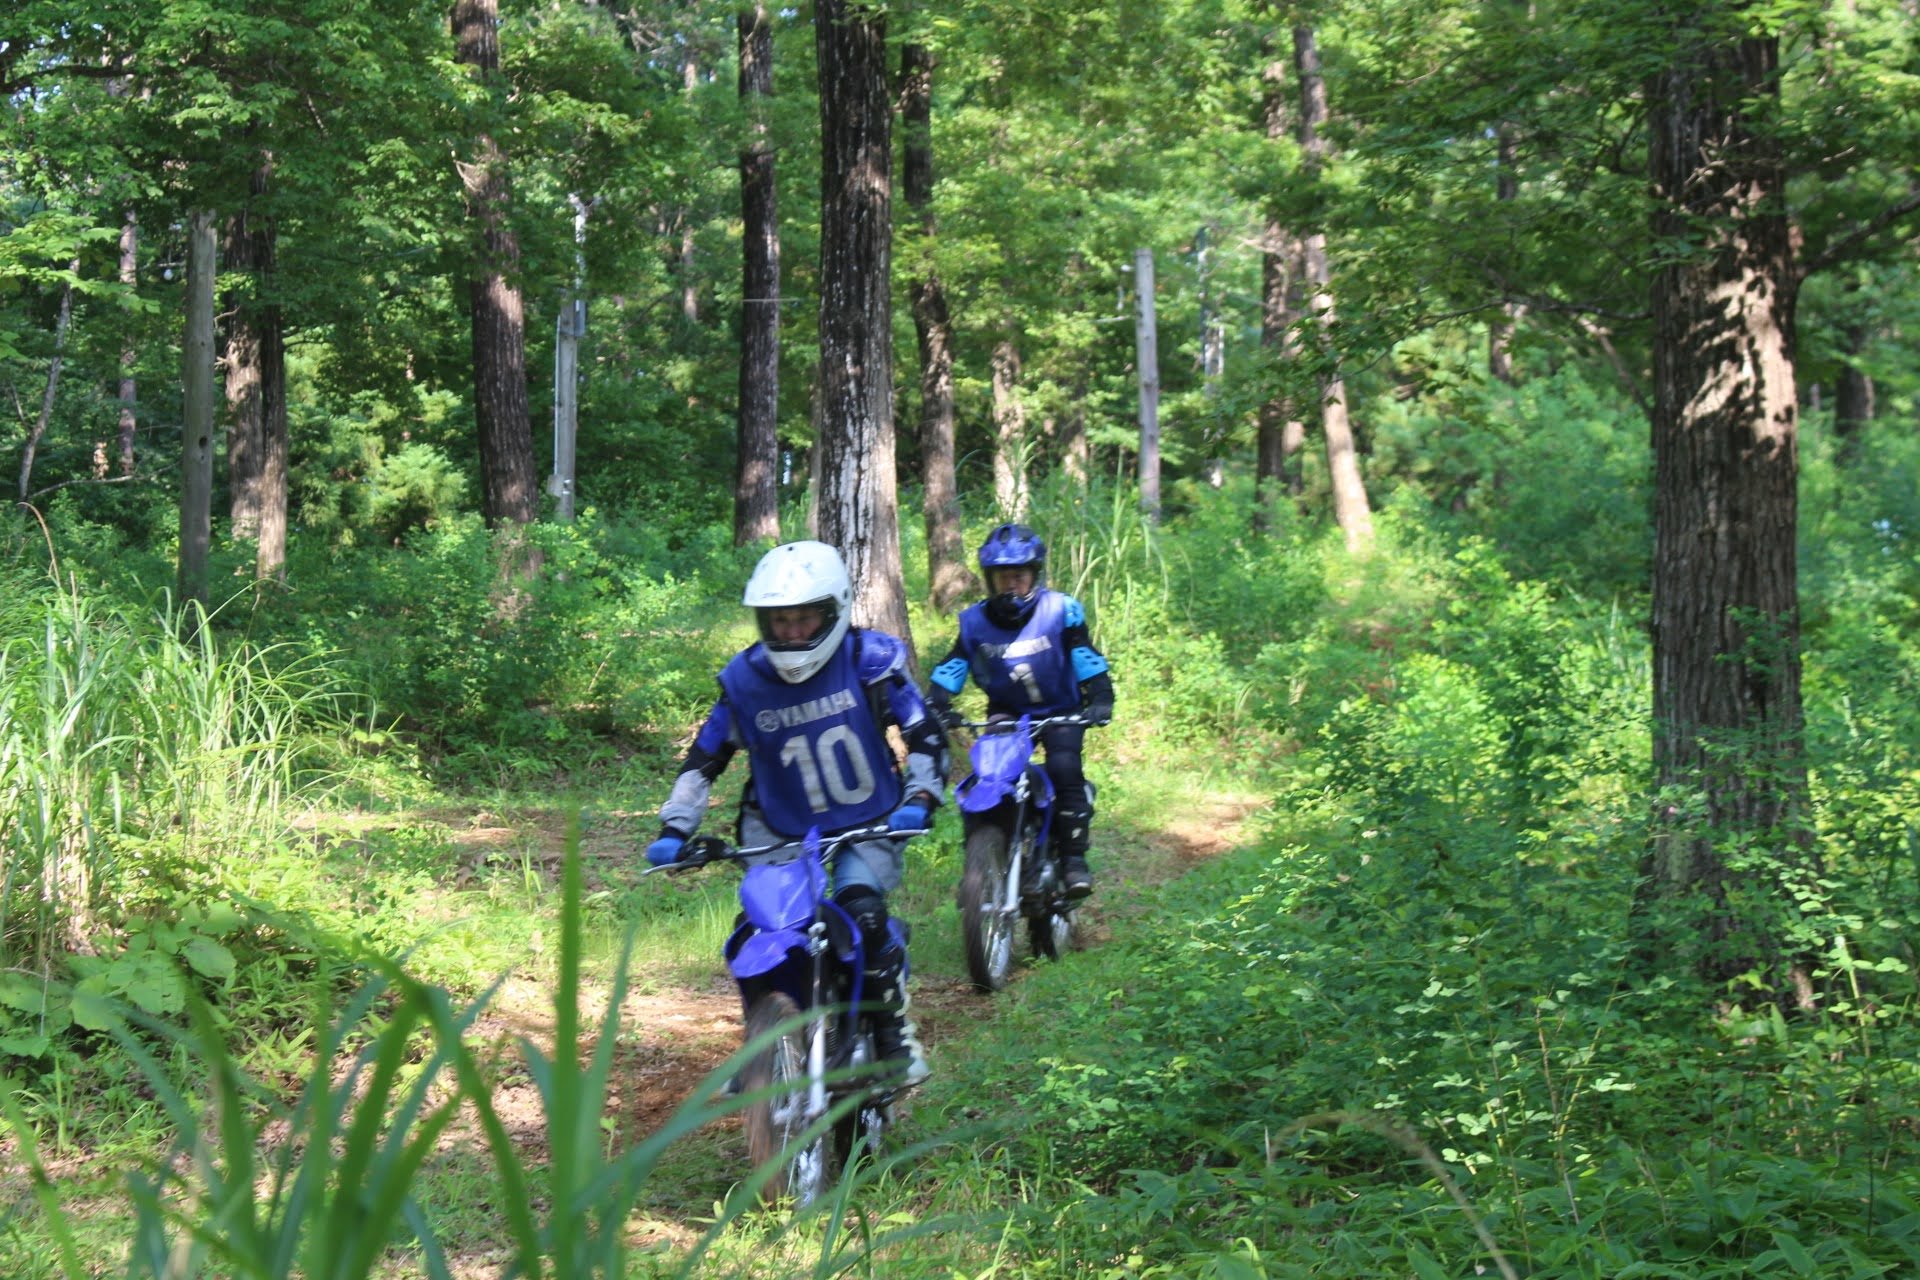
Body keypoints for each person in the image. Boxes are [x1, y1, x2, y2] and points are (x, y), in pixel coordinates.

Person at [645, 540, 944, 1086]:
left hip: (868, 817)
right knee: (758, 926)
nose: (790, 634)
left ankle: (888, 1036)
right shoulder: (743, 682)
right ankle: (764, 1038)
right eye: (777, 622)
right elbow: (703, 761)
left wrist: (920, 798)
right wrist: (675, 828)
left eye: (803, 619)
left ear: (833, 610)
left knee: (863, 911)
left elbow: (924, 736)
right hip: (780, 821)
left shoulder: (870, 661)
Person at [925, 522, 1113, 898]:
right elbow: (954, 665)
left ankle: (1074, 858)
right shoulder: (974, 622)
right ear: (989, 580)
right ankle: (989, 855)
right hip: (1008, 713)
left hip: (1062, 709)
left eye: (1019, 576)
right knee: (992, 775)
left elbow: (1084, 655)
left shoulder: (1062, 610)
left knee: (1063, 767)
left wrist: (1101, 697)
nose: (1011, 585)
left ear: (1034, 576)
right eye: (1002, 578)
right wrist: (937, 701)